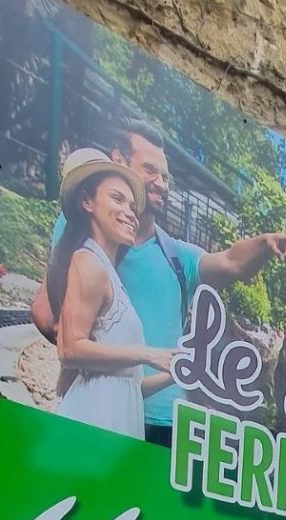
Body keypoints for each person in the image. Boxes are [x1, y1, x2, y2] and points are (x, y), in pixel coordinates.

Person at [32, 119, 286, 447]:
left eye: (166, 177)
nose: (161, 184)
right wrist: (91, 361)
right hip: (102, 414)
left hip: (164, 417)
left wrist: (264, 243)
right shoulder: (82, 238)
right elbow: (46, 314)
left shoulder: (176, 255)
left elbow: (230, 261)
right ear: (119, 161)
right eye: (150, 171)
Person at [50, 148, 174, 438]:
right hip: (92, 423)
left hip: (116, 423)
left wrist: (173, 374)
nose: (129, 213)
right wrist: (146, 354)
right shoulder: (87, 261)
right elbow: (69, 350)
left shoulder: (108, 271)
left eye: (132, 206)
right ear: (86, 202)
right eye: (118, 199)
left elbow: (129, 386)